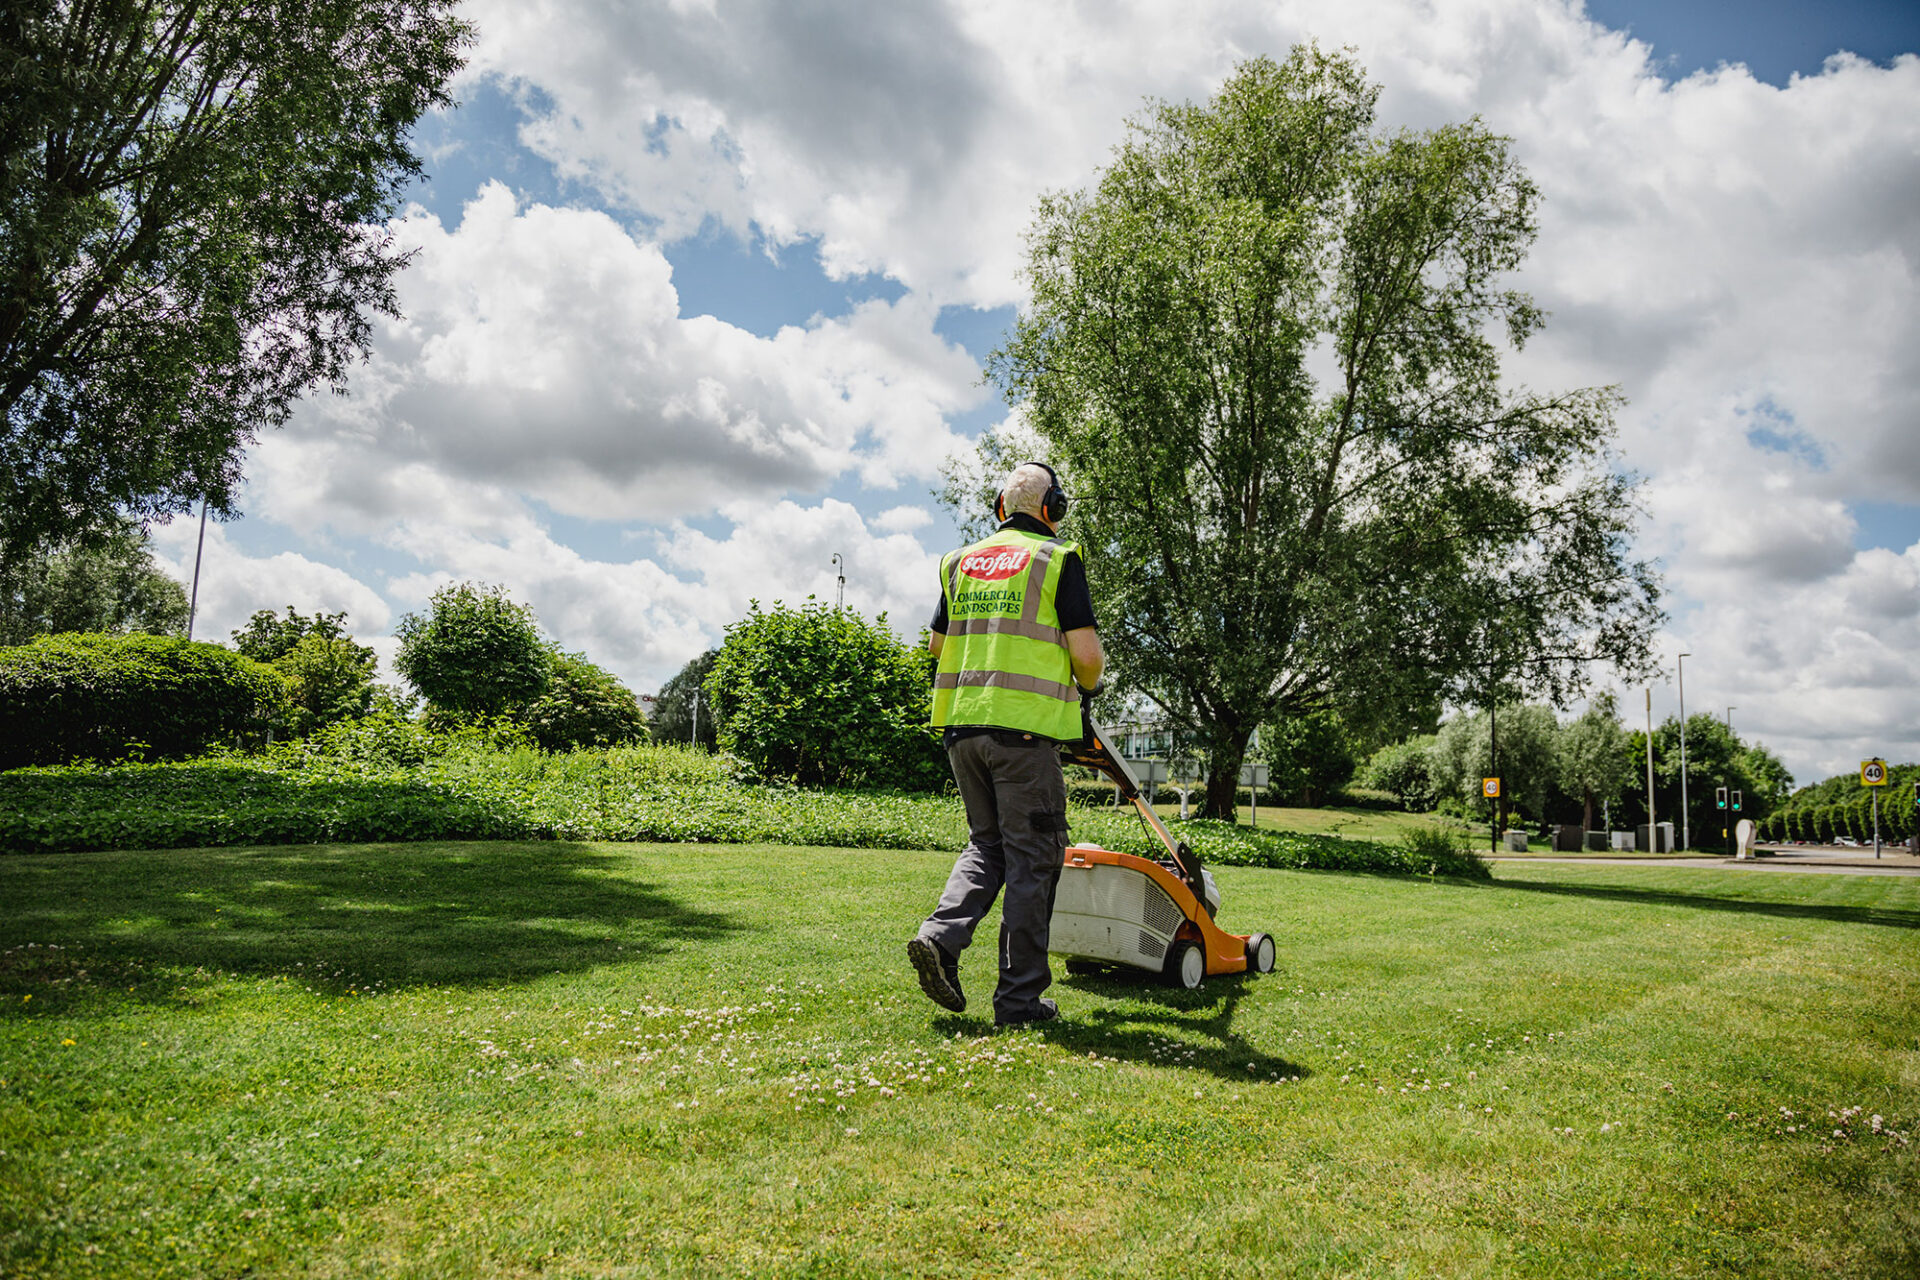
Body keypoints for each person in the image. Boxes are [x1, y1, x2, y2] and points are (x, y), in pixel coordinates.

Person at [906, 461, 1104, 1028]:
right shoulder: (1057, 559)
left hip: (963, 730)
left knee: (986, 845)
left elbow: (937, 646)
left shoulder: (958, 562)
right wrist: (1080, 687)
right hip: (1023, 737)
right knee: (1033, 861)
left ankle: (939, 941)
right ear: (1053, 508)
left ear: (1000, 506)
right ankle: (1019, 1004)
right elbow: (1086, 660)